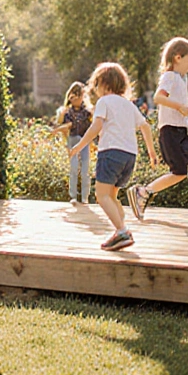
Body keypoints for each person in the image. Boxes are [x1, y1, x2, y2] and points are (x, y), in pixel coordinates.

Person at [126, 37, 188, 222]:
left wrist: (185, 108)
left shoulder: (182, 78)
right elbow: (158, 97)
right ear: (177, 58)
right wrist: (179, 107)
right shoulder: (170, 76)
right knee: (179, 172)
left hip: (181, 132)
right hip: (170, 132)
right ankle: (143, 191)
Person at [67, 62, 158, 251]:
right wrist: (151, 151)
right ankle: (119, 231)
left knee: (101, 196)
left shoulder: (104, 102)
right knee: (112, 196)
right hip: (129, 156)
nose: (96, 90)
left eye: (97, 85)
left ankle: (122, 231)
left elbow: (96, 126)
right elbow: (146, 126)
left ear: (104, 84)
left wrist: (79, 145)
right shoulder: (129, 105)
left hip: (111, 153)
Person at [50, 81, 94, 204]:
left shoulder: (86, 112)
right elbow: (68, 126)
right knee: (74, 169)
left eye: (81, 96)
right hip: (73, 140)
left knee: (85, 170)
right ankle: (73, 195)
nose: (78, 99)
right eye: (75, 96)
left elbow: (92, 125)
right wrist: (60, 133)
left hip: (84, 140)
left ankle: (85, 196)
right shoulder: (67, 112)